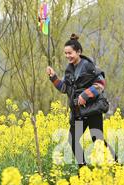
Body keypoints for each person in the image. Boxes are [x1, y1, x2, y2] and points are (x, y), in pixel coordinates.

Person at [46, 34, 117, 170]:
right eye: (66, 53)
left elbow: (101, 83)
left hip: (92, 110)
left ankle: (117, 165)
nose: (68, 56)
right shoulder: (69, 69)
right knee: (72, 140)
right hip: (78, 112)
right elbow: (65, 88)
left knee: (97, 140)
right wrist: (53, 77)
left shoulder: (88, 66)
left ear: (78, 52)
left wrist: (85, 95)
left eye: (70, 53)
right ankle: (84, 171)